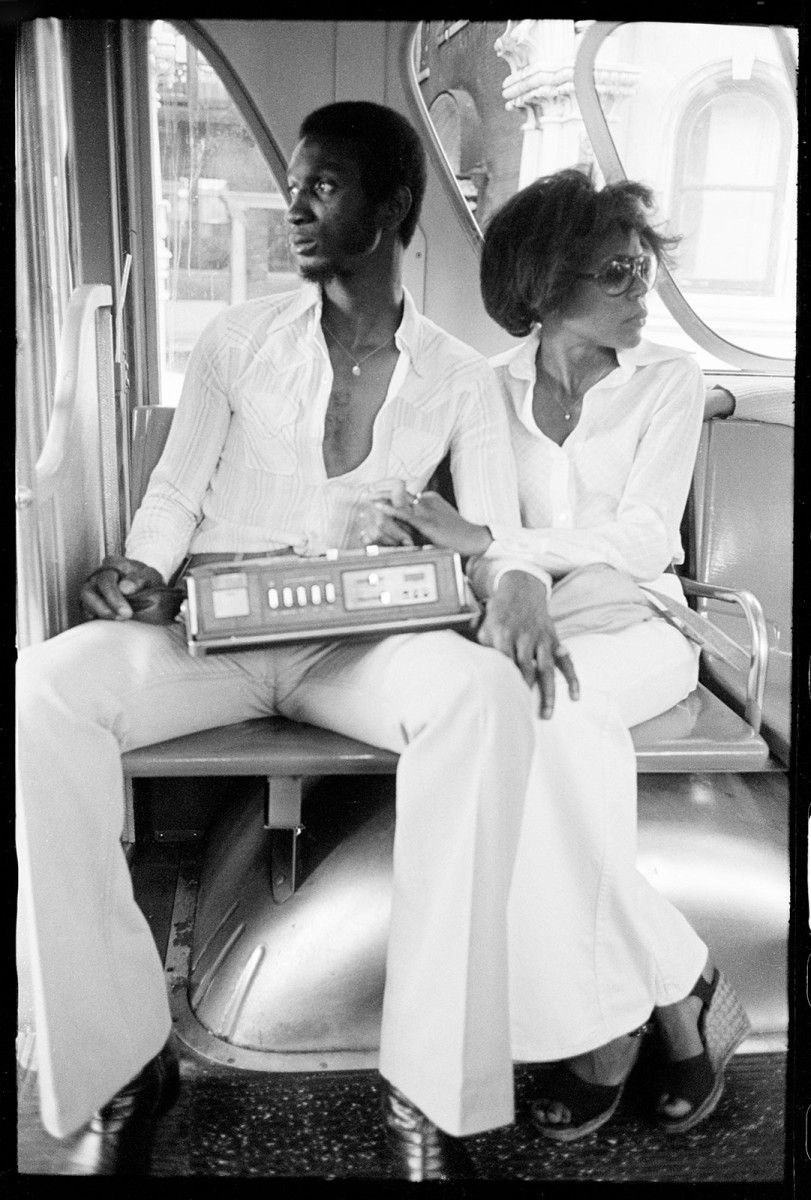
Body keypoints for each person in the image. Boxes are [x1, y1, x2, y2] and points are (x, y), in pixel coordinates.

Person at [16, 102, 575, 1180]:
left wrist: (512, 583)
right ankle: (124, 1062)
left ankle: (429, 1091)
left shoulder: (458, 376)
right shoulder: (235, 340)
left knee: (485, 698)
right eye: (296, 183)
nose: (294, 206)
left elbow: (493, 528)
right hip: (209, 633)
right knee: (43, 688)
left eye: (322, 186)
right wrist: (141, 568)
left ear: (393, 207)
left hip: (355, 649)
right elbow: (177, 492)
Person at [374, 169, 751, 1143]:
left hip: (639, 621)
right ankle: (679, 985)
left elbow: (636, 536)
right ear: (543, 286)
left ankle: (604, 1039)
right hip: (529, 619)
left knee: (544, 713)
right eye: (619, 273)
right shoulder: (486, 392)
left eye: (645, 270)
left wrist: (505, 560)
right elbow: (488, 526)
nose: (642, 294)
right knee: (525, 718)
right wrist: (495, 557)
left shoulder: (666, 383)